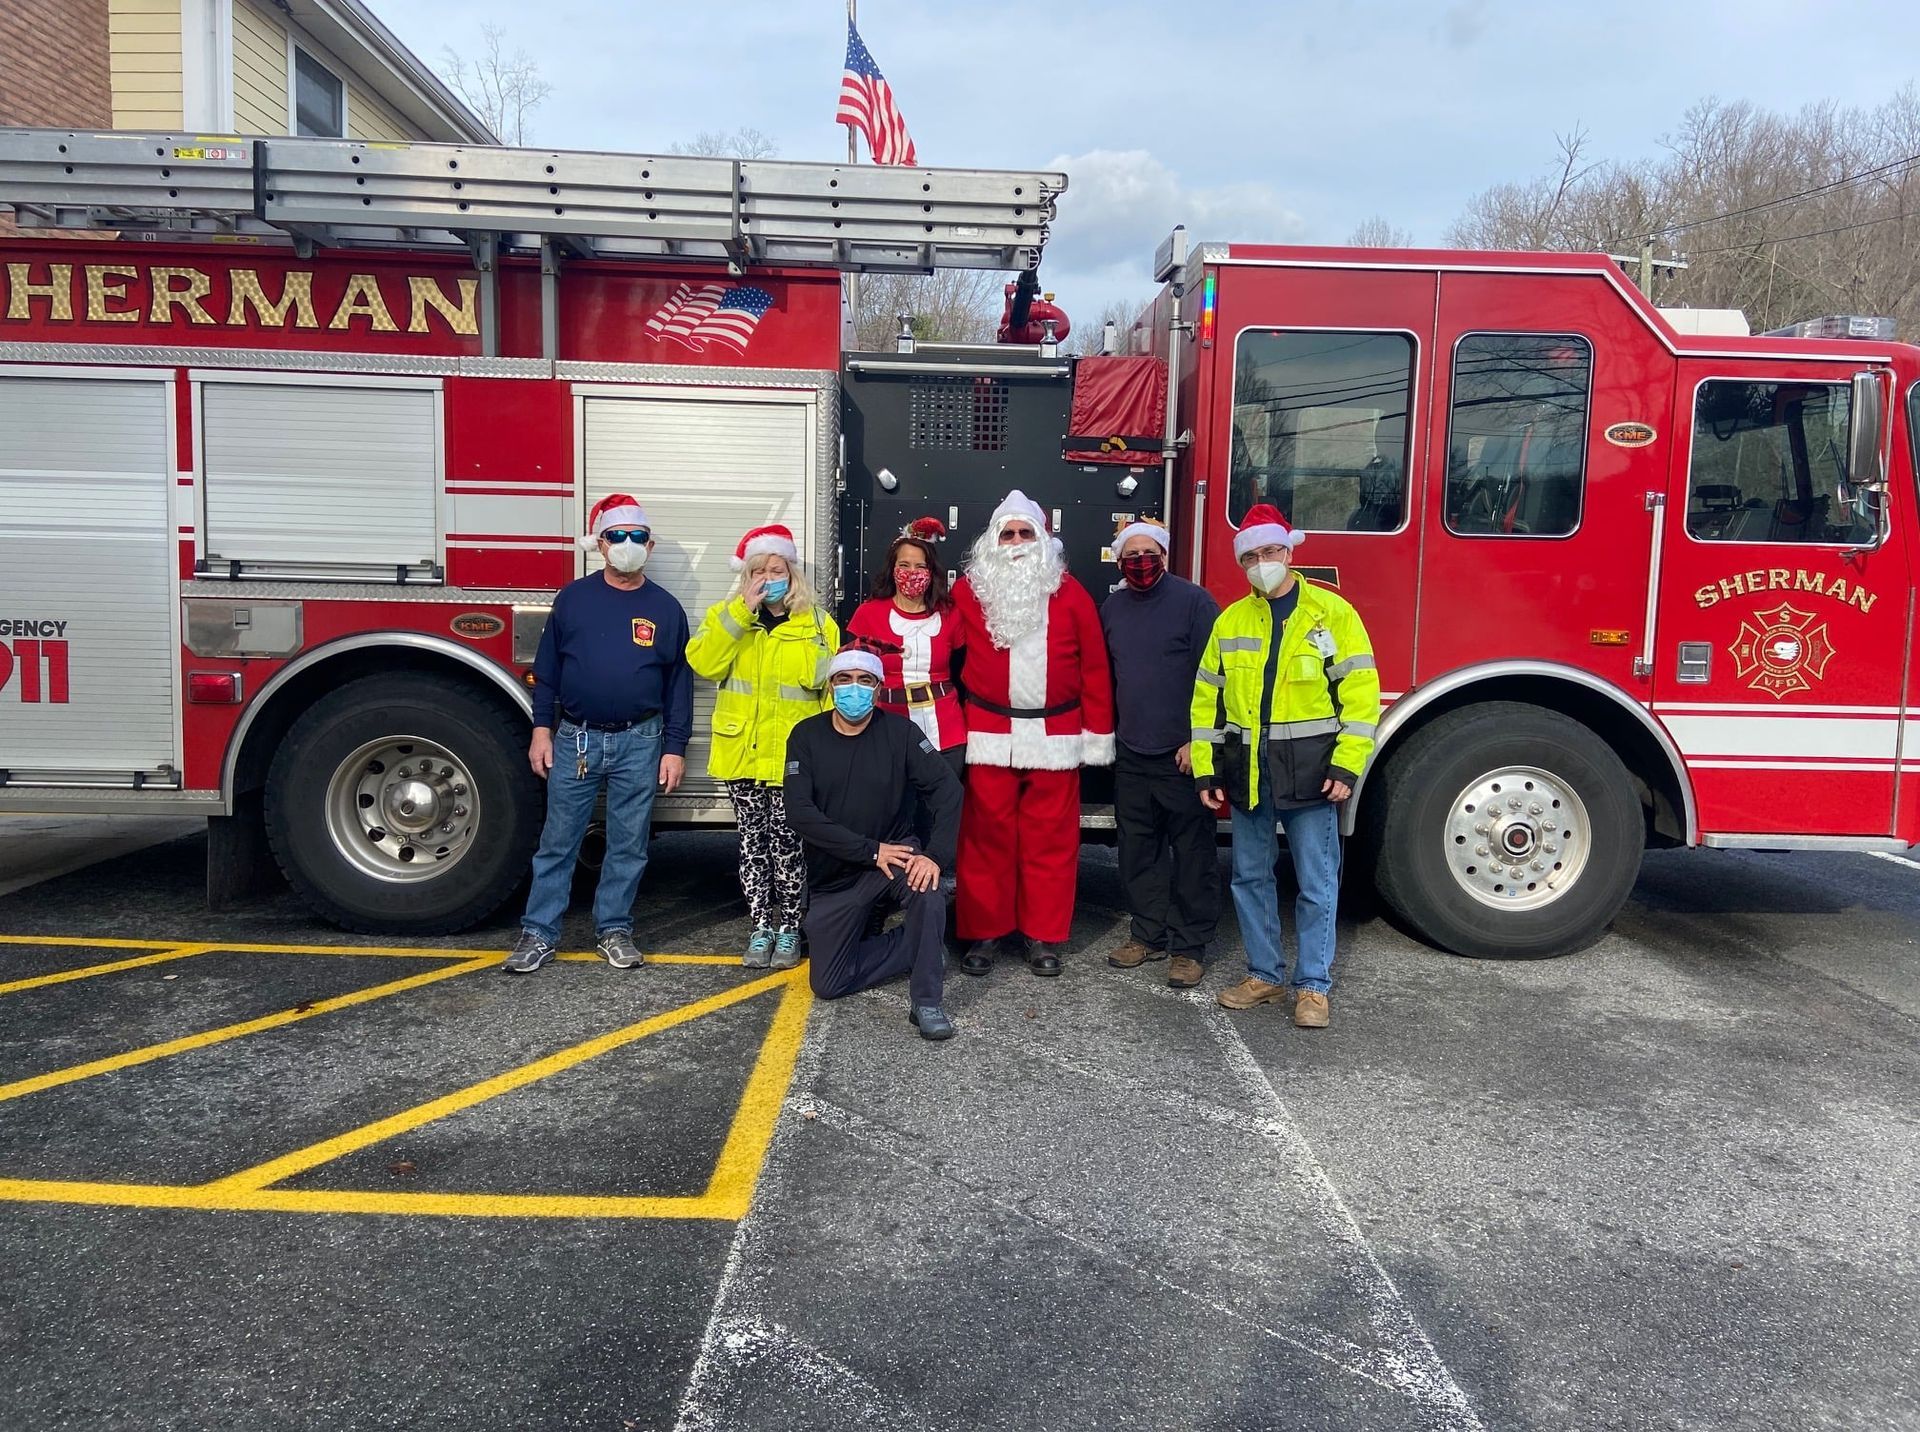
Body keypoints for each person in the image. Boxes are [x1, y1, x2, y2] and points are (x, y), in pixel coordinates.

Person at [1189, 503, 1380, 1027]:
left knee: (1317, 882)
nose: (1261, 562)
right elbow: (1208, 702)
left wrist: (1346, 767)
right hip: (1248, 771)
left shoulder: (1331, 613)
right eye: (1250, 555)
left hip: (1311, 772)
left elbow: (1361, 697)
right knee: (1250, 877)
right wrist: (1207, 770)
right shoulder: (1230, 620)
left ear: (1290, 551)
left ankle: (1313, 986)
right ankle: (1265, 976)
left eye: (1270, 551)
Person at [505, 493, 692, 974]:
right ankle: (538, 933)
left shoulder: (666, 609)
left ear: (649, 546)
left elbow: (678, 685)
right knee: (559, 839)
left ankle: (614, 929)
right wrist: (541, 731)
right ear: (601, 545)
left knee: (629, 844)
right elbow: (547, 671)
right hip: (576, 739)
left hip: (641, 741)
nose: (627, 544)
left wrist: (674, 748)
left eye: (636, 537)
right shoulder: (573, 598)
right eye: (617, 536)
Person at [949, 490, 1115, 977]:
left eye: (1025, 533)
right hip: (990, 732)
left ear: (1043, 540)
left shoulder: (1071, 594)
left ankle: (1042, 933)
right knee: (985, 839)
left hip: (1056, 735)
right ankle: (985, 930)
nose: (1017, 543)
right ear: (991, 542)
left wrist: (1096, 735)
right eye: (1008, 534)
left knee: (1051, 841)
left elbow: (1095, 669)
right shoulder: (968, 592)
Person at [784, 640, 964, 1040]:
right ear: (831, 686)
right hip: (838, 873)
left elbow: (948, 791)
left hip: (896, 857)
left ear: (879, 689)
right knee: (828, 983)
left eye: (865, 680)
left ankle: (928, 1000)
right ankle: (921, 947)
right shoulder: (806, 736)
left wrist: (934, 856)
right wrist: (869, 850)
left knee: (927, 886)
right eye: (845, 679)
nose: (854, 688)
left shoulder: (901, 733)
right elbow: (799, 812)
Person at [686, 524, 840, 969]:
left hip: (793, 761)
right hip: (743, 757)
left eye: (777, 569)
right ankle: (760, 929)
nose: (769, 578)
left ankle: (790, 929)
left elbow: (830, 693)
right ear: (747, 576)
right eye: (760, 571)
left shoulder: (816, 624)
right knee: (752, 844)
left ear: (792, 574)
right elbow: (703, 663)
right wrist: (740, 613)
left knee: (789, 845)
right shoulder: (726, 617)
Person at [1099, 516, 1221, 989]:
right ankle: (1147, 935)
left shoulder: (1195, 603)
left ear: (1165, 556)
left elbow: (1216, 676)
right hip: (1131, 751)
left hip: (1182, 753)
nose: (1140, 563)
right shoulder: (1112, 608)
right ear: (1120, 560)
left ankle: (1189, 947)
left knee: (1192, 854)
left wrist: (1200, 739)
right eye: (1130, 556)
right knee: (1137, 849)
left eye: (1148, 554)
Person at [845, 515, 967, 781]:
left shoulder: (949, 615)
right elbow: (851, 673)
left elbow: (961, 670)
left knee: (940, 811)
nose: (912, 573)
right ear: (893, 568)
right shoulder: (869, 613)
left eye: (920, 566)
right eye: (904, 565)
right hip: (885, 729)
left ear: (931, 570)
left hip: (945, 732)